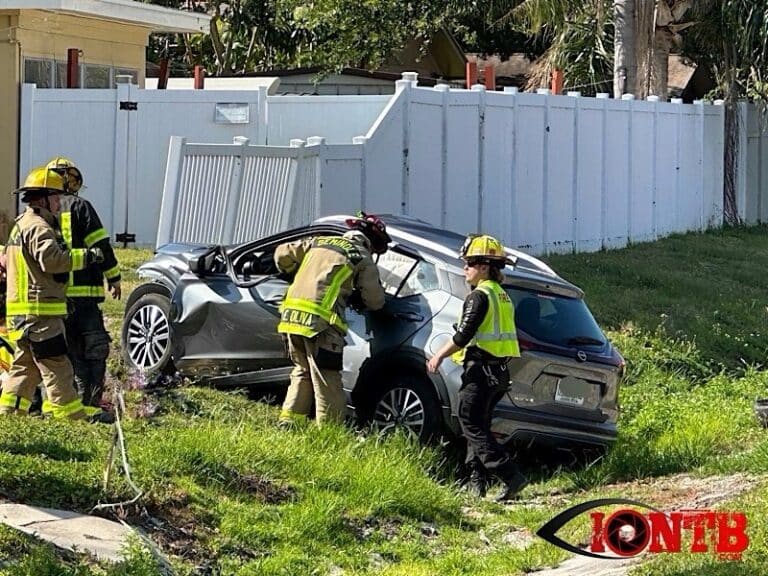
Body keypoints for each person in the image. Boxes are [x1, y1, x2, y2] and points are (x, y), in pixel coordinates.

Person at [426, 234, 528, 501]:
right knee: (478, 426)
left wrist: (437, 356)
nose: (465, 269)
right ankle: (476, 484)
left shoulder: (479, 297)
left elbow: (462, 336)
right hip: (498, 374)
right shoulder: (502, 295)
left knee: (470, 423)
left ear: (483, 267)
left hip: (481, 372)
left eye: (469, 264)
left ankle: (510, 475)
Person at [0, 167, 103, 420]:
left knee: (25, 368)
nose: (59, 203)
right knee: (57, 365)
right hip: (40, 313)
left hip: (21, 313)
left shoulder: (20, 225)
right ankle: (69, 416)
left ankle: (10, 412)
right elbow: (52, 261)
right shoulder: (38, 227)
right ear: (41, 199)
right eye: (56, 198)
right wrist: (86, 257)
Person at [275, 213, 389, 426]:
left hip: (290, 319)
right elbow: (375, 301)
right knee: (328, 380)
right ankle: (329, 433)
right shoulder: (360, 255)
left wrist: (293, 272)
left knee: (302, 372)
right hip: (321, 325)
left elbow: (282, 254)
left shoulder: (319, 242)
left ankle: (289, 422)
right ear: (371, 243)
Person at [46, 157, 121, 410]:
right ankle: (92, 403)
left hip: (55, 300)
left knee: (67, 354)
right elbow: (100, 245)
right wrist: (114, 277)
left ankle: (72, 404)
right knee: (95, 350)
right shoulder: (82, 207)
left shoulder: (39, 212)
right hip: (86, 299)